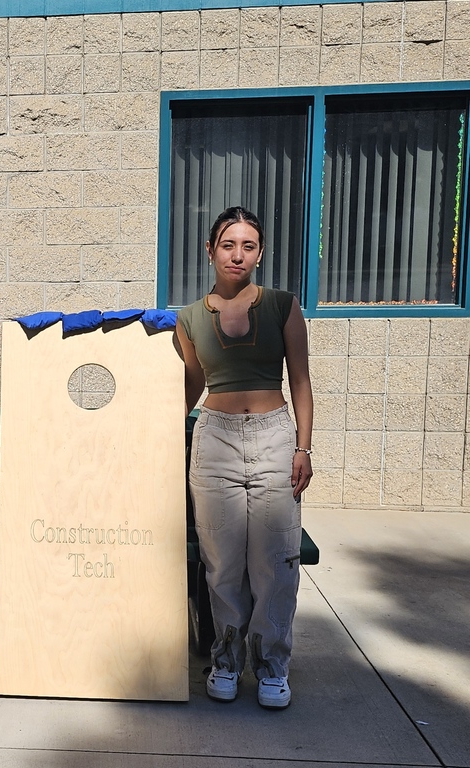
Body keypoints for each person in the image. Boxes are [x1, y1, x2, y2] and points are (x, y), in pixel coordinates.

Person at [175, 206, 313, 710]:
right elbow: (192, 383)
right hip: (215, 440)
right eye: (228, 244)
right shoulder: (190, 318)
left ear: (260, 253)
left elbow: (300, 380)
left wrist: (303, 446)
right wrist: (158, 432)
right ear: (210, 251)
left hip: (275, 437)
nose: (237, 254)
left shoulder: (283, 306)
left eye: (248, 246)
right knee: (222, 563)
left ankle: (273, 665)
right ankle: (227, 660)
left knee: (276, 561)